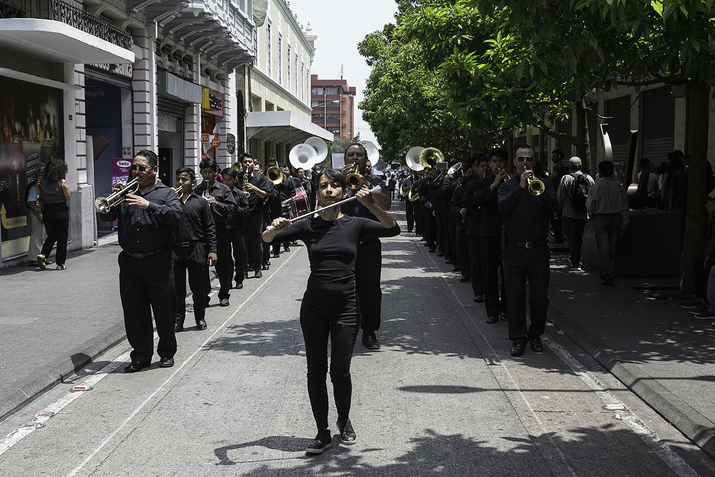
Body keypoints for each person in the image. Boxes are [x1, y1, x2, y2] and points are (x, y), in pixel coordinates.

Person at [262, 169, 400, 454]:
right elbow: (266, 239)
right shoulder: (307, 226)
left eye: (334, 186)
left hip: (347, 308)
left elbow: (392, 228)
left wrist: (371, 205)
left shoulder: (355, 223)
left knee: (340, 370)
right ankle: (322, 432)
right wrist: (273, 227)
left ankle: (344, 420)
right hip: (313, 308)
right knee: (316, 370)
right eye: (323, 186)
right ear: (316, 193)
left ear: (343, 192)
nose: (328, 190)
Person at [99, 150, 181, 372]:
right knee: (134, 312)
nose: (136, 171)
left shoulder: (166, 193)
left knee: (164, 309)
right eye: (133, 167)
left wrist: (149, 205)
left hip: (158, 260)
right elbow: (106, 217)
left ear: (154, 170)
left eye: (141, 168)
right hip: (129, 262)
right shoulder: (126, 193)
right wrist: (112, 201)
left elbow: (176, 216)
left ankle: (166, 352)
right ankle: (141, 355)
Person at [498, 145, 559, 357]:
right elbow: (502, 207)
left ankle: (535, 335)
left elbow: (554, 206)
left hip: (538, 250)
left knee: (540, 297)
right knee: (514, 297)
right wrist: (521, 187)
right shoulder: (506, 186)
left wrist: (538, 191)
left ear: (535, 162)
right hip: (513, 250)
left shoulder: (545, 184)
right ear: (514, 162)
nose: (525, 163)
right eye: (521, 159)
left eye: (529, 159)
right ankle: (518, 338)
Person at [340, 143, 392, 350]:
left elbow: (386, 205)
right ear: (344, 159)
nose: (354, 158)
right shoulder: (335, 180)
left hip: (368, 242)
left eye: (358, 155)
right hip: (342, 244)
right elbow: (323, 205)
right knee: (342, 288)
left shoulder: (376, 181)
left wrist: (366, 185)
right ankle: (344, 328)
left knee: (370, 290)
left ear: (365, 159)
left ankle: (369, 331)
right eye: (350, 155)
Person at [173, 167, 217, 332]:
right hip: (176, 250)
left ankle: (200, 318)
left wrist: (212, 250)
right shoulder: (171, 201)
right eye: (178, 179)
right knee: (177, 289)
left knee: (198, 288)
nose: (180, 183)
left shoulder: (201, 202)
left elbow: (210, 228)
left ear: (192, 182)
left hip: (196, 248)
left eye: (184, 179)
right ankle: (178, 321)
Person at [194, 159, 237, 307]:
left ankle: (224, 294)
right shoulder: (196, 190)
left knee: (223, 264)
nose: (207, 175)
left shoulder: (223, 189)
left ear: (215, 172)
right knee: (202, 265)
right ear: (200, 173)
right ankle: (204, 295)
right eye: (204, 172)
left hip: (219, 229)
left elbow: (232, 208)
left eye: (210, 172)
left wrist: (217, 204)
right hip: (202, 231)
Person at [473, 148, 509, 323]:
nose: (497, 165)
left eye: (500, 161)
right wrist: (494, 184)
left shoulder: (514, 182)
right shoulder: (483, 182)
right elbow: (477, 200)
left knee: (509, 274)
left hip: (509, 233)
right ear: (489, 163)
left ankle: (506, 309)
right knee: (489, 274)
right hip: (488, 233)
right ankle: (492, 310)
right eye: (494, 162)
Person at [586, 160, 630, 287]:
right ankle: (606, 270)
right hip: (616, 219)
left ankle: (607, 272)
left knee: (604, 248)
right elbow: (625, 208)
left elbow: (590, 206)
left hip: (601, 219)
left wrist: (592, 214)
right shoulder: (619, 188)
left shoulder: (595, 188)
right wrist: (624, 224)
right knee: (610, 248)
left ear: (599, 172)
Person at [238, 153, 273, 278]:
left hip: (256, 214)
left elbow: (265, 195)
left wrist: (254, 188)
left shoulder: (260, 177)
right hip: (241, 215)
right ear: (241, 164)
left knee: (257, 242)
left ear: (253, 163)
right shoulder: (238, 177)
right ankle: (245, 267)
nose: (247, 164)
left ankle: (258, 267)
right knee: (242, 243)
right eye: (245, 162)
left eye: (250, 162)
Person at [557, 157, 594, 269]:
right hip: (583, 213)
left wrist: (556, 210)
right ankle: (577, 258)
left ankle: (576, 260)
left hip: (569, 213)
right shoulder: (589, 178)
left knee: (571, 236)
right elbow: (593, 195)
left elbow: (560, 197)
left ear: (569, 166)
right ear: (581, 166)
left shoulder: (566, 178)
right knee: (579, 236)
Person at [463, 155, 489, 302]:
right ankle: (478, 290)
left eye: (487, 166)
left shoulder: (494, 182)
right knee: (476, 260)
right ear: (476, 168)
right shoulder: (469, 182)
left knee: (488, 261)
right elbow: (465, 201)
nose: (484, 168)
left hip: (490, 226)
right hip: (474, 226)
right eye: (482, 166)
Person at [37, 158, 71, 270]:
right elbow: (68, 197)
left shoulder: (42, 182)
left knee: (51, 235)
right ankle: (60, 264)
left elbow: (41, 196)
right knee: (62, 237)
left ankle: (43, 254)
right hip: (60, 210)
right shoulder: (62, 182)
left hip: (47, 210)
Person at [222, 168, 250, 289]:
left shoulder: (240, 194)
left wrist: (233, 209)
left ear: (235, 179)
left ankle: (239, 278)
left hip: (237, 228)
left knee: (239, 254)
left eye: (229, 180)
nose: (226, 182)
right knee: (226, 257)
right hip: (224, 228)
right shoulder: (220, 193)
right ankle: (227, 281)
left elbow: (245, 210)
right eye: (224, 180)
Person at [26, 163, 47, 266]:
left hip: (41, 212)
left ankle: (41, 257)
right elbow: (30, 202)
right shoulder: (35, 185)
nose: (42, 174)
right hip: (36, 212)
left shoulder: (42, 184)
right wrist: (38, 214)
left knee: (42, 235)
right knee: (37, 235)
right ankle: (33, 258)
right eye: (40, 173)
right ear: (37, 173)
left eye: (44, 172)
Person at [549, 149, 568, 244]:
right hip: (558, 193)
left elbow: (551, 178)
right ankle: (559, 237)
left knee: (555, 218)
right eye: (552, 156)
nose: (552, 158)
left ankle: (558, 238)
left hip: (557, 194)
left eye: (554, 156)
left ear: (559, 156)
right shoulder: (559, 167)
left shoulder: (558, 167)